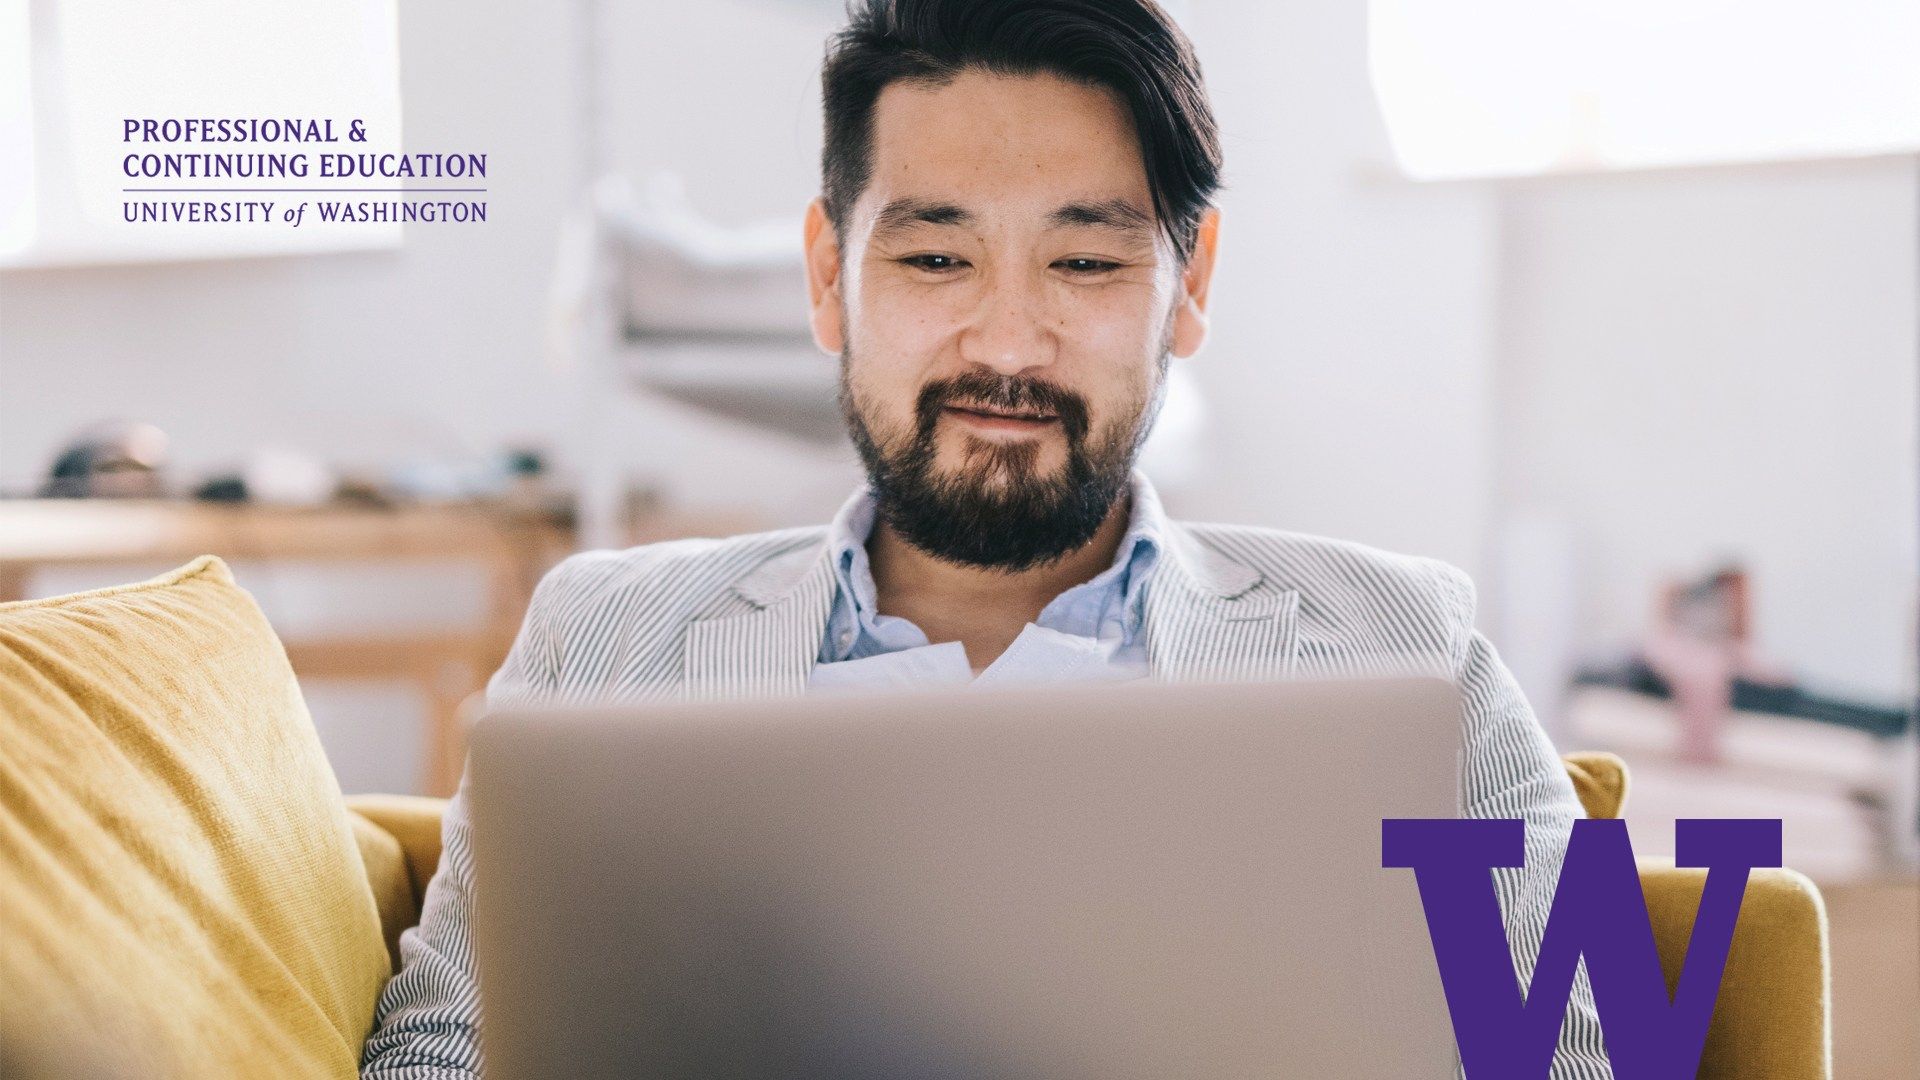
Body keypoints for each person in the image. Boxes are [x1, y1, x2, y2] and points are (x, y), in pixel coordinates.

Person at [360, 1, 1612, 1076]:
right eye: (938, 256)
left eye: (1081, 260)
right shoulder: (605, 647)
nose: (1007, 344)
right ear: (825, 276)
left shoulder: (1405, 647)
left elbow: (1580, 1052)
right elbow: (439, 1056)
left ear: (1193, 285)